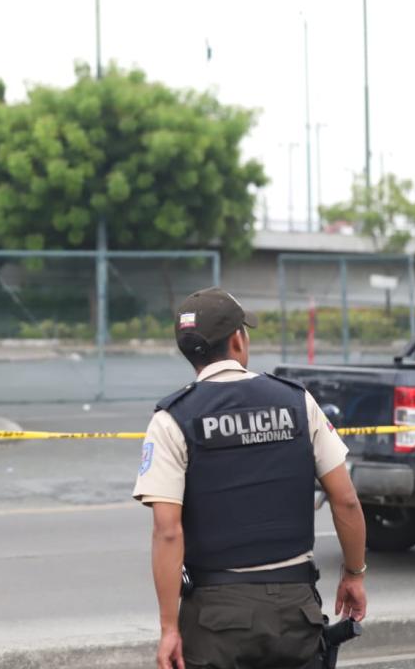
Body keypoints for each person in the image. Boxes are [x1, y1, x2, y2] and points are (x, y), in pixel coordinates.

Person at [132, 287, 367, 669]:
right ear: (238, 339)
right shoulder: (297, 402)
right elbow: (346, 500)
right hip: (296, 612)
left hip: (215, 622)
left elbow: (167, 531)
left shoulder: (171, 419)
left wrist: (169, 628)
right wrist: (354, 575)